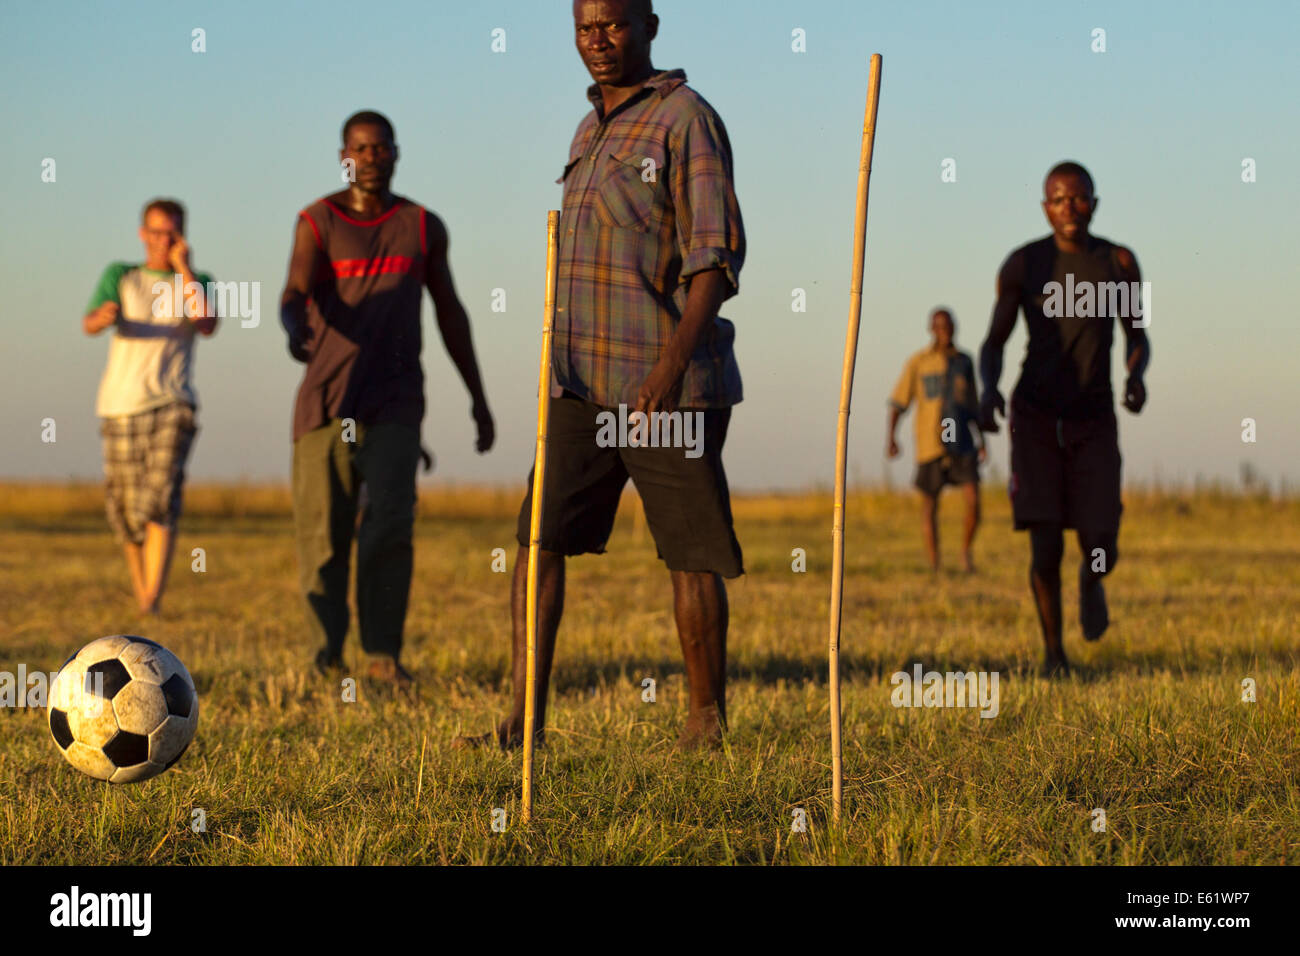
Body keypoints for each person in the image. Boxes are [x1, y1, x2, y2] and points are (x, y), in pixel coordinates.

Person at [458, 0, 746, 749]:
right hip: (581, 382)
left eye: (614, 25)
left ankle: (705, 726)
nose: (599, 41)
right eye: (585, 28)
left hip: (666, 386)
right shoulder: (590, 129)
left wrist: (670, 367)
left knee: (690, 555)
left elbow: (713, 259)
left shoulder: (686, 118)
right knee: (539, 543)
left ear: (650, 23)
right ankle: (523, 723)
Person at [279, 110, 495, 689]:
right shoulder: (317, 221)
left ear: (395, 154)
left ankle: (383, 655)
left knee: (391, 526)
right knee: (323, 538)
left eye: (381, 148)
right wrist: (291, 323)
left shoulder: (423, 226)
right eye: (360, 148)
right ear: (344, 155)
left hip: (397, 403)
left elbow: (451, 314)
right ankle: (325, 659)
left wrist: (478, 397)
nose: (371, 158)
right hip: (327, 402)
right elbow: (294, 291)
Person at [978, 161, 1150, 676]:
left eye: (1079, 198)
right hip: (1035, 416)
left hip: (1094, 417)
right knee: (1045, 542)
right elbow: (994, 342)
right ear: (1044, 207)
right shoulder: (1023, 265)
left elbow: (1137, 334)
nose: (1069, 208)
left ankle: (1092, 581)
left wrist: (1135, 374)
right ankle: (1054, 655)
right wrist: (988, 388)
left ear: (1094, 203)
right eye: (1059, 198)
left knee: (1101, 539)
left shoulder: (1118, 262)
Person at [82, 199, 217, 615]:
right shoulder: (120, 275)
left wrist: (185, 268)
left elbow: (207, 323)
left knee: (159, 499)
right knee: (126, 511)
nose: (163, 241)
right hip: (120, 404)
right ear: (143, 233)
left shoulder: (198, 281)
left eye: (171, 233)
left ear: (182, 236)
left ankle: (151, 602)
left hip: (173, 402)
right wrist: (103, 317)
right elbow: (88, 323)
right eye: (156, 232)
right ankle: (144, 594)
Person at [887, 308, 985, 572]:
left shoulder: (965, 362)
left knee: (973, 500)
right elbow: (898, 402)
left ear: (954, 328)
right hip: (931, 443)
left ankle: (965, 553)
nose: (944, 331)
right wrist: (892, 438)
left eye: (948, 326)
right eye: (939, 327)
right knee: (929, 506)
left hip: (962, 442)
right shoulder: (918, 362)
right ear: (931, 329)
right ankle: (935, 564)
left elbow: (973, 405)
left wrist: (982, 440)